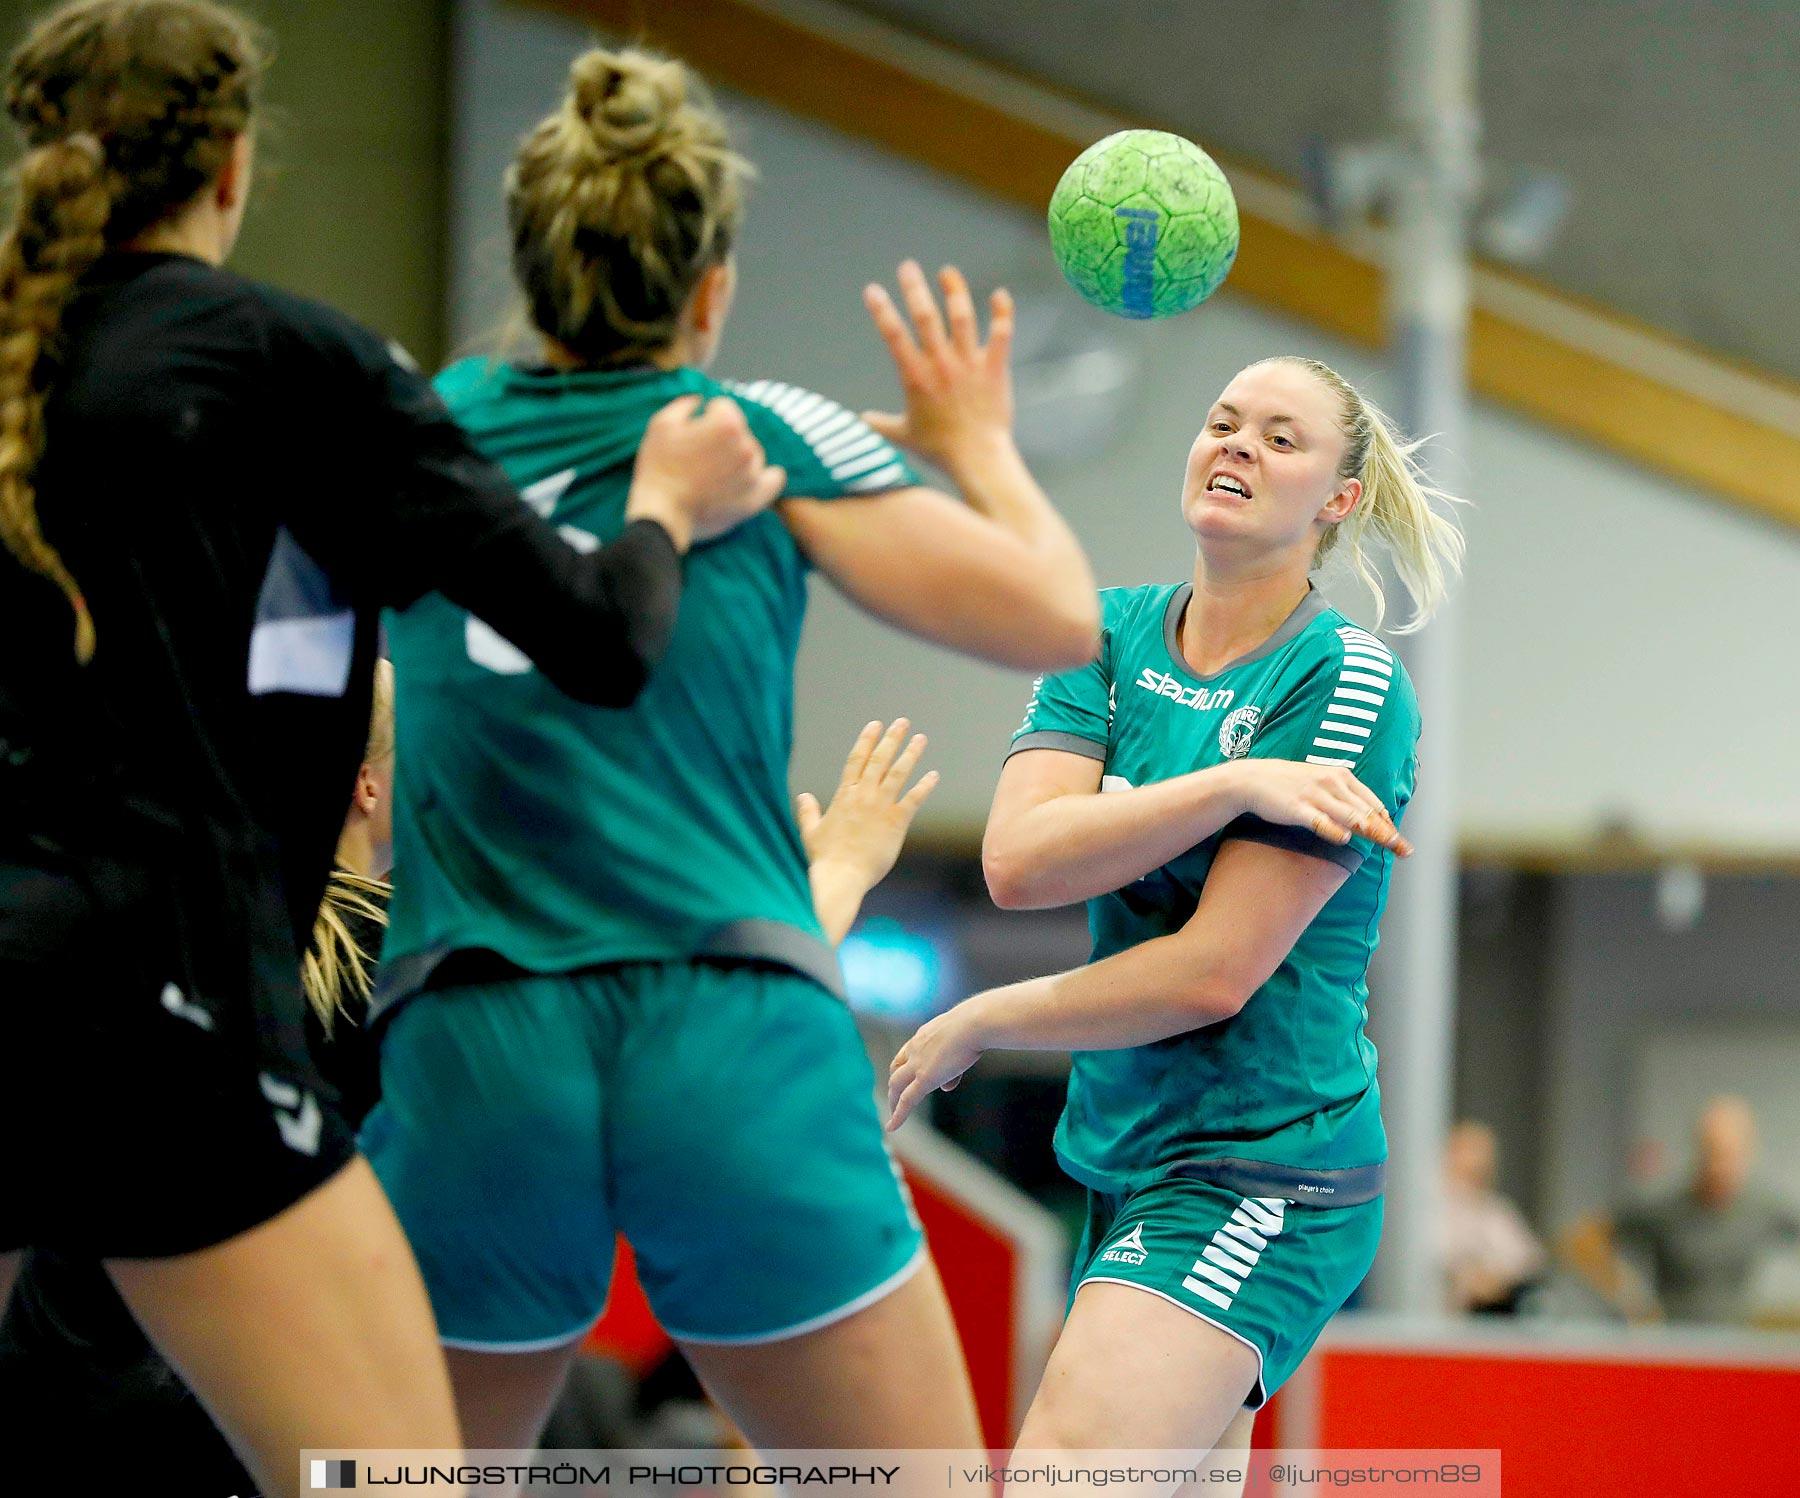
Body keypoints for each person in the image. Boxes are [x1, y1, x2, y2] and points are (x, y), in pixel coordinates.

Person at [0, 4, 779, 1493]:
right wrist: (665, 501)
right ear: (231, 163)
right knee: (400, 1477)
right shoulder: (292, 364)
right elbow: (602, 638)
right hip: (155, 994)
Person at [361, 43, 1097, 1455]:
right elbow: (1062, 617)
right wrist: (977, 441)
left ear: (528, 265)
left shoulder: (423, 431)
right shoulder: (758, 437)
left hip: (475, 1039)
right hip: (731, 1040)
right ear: (712, 291)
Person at [887, 354, 1462, 1483]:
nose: (1238, 445)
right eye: (1223, 420)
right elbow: (1017, 862)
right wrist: (1227, 788)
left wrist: (985, 1014)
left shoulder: (1344, 680)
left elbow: (1213, 973)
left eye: (1281, 439)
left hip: (1261, 1162)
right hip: (1129, 1148)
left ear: (1338, 502)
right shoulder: (1106, 635)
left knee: (1062, 1472)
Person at [1608, 1096, 1800, 1325]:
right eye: (1712, 1152)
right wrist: (1630, 1297)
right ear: (1698, 1150)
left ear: (1749, 1151)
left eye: (1730, 1153)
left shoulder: (1763, 1208)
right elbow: (1584, 1239)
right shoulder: (1666, 1209)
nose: (1720, 1165)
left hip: (1732, 1343)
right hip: (1673, 1344)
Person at [1439, 1120, 1546, 1314]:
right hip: (1429, 1322)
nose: (1481, 1162)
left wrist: (1494, 1278)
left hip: (1484, 1324)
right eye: (1471, 1151)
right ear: (1450, 1153)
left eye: (1486, 1154)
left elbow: (1529, 1261)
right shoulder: (1424, 1208)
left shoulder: (1495, 1210)